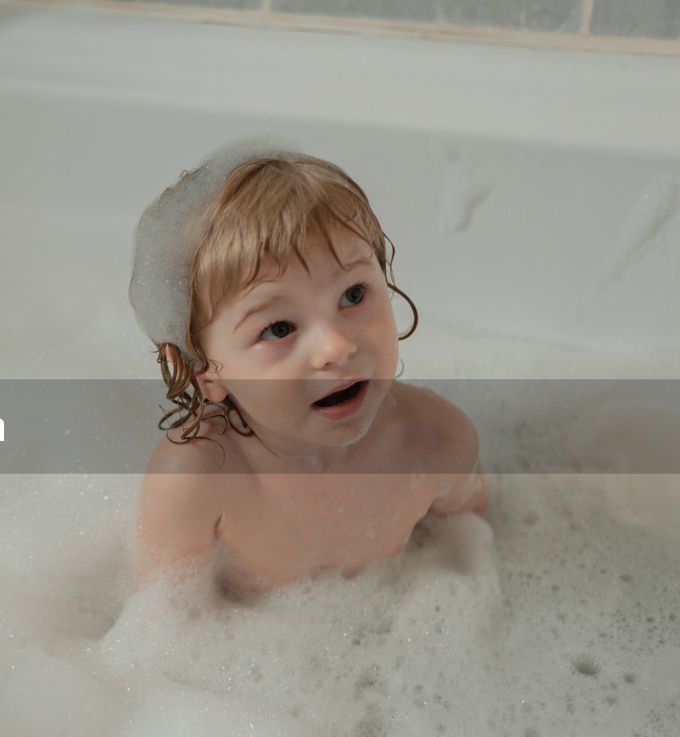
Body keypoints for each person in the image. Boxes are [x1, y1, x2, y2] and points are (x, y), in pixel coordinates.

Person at [129, 142, 486, 597]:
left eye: (354, 295)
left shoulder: (438, 438)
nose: (337, 347)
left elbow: (477, 555)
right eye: (279, 327)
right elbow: (162, 627)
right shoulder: (197, 477)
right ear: (206, 373)